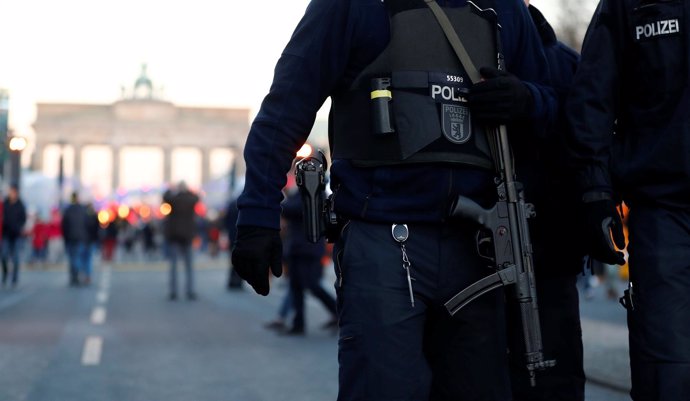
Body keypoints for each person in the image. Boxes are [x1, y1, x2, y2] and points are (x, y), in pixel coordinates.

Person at [231, 0, 557, 399]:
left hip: (483, 250)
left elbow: (556, 104)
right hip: (383, 241)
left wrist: (528, 99)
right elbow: (286, 107)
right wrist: (257, 215)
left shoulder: (504, 8)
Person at [565, 1, 690, 399]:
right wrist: (595, 192)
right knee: (667, 375)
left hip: (662, 213)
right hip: (663, 214)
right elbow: (592, 97)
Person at [504, 2, 585, 400]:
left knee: (553, 374)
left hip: (550, 249)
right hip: (482, 251)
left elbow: (587, 143)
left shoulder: (566, 64)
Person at [279, 182, 337, 335]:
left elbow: (292, 209)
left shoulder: (315, 192)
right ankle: (298, 324)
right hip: (298, 248)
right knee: (296, 286)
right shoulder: (300, 192)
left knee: (311, 284)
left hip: (308, 248)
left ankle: (337, 312)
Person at [163, 181, 200, 301]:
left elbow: (165, 196)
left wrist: (171, 189)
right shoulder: (190, 199)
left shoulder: (174, 199)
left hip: (174, 236)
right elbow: (197, 197)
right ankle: (190, 290)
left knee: (173, 265)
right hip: (188, 236)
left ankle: (173, 291)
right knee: (189, 266)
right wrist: (188, 190)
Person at [61, 192, 89, 286]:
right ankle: (76, 275)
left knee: (72, 258)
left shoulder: (68, 210)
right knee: (77, 258)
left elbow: (64, 226)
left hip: (70, 238)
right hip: (80, 237)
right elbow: (87, 225)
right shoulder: (83, 210)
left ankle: (73, 276)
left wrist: (65, 237)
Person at [1, 185, 27, 288]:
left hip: (16, 235)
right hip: (6, 234)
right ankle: (5, 274)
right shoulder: (5, 203)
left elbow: (23, 218)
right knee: (3, 256)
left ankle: (14, 278)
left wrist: (19, 227)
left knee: (15, 258)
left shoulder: (20, 205)